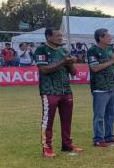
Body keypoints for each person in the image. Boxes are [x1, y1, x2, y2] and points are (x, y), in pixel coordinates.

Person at [34, 28, 82, 157]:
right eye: (58, 36)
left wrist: (70, 63)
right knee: (48, 121)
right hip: (49, 91)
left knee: (67, 120)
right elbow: (43, 69)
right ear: (49, 37)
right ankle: (47, 148)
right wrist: (63, 62)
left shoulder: (64, 50)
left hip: (66, 90)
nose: (61, 38)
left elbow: (73, 72)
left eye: (61, 35)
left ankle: (67, 144)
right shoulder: (41, 50)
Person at [88, 28, 114, 147]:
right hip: (100, 88)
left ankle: (109, 136)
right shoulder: (92, 51)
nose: (110, 38)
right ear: (100, 38)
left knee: (111, 114)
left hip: (111, 86)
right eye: (108, 36)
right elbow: (95, 68)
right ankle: (98, 139)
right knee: (99, 115)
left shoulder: (109, 49)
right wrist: (113, 60)